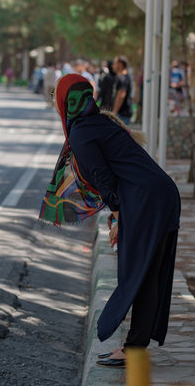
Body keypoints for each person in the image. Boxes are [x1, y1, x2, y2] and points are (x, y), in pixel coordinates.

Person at [39, 74, 180, 369]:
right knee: (147, 272)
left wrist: (118, 214)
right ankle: (135, 346)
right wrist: (119, 214)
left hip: (146, 201)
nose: (54, 103)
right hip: (159, 194)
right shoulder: (99, 123)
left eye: (57, 98)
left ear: (68, 102)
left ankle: (133, 348)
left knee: (138, 273)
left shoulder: (81, 134)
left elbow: (105, 180)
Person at [111, 55, 133, 125]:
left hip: (122, 115)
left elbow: (121, 95)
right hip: (120, 115)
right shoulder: (119, 77)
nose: (112, 65)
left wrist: (114, 112)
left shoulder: (123, 78)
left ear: (120, 65)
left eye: (115, 63)